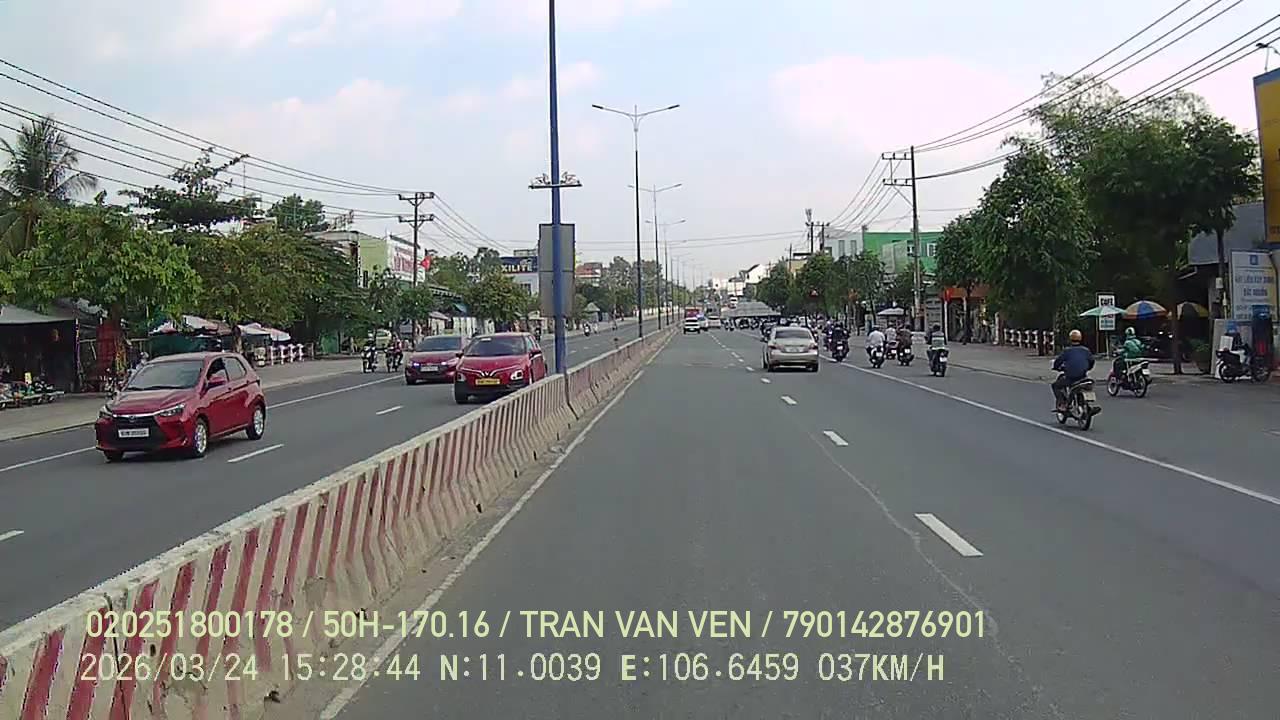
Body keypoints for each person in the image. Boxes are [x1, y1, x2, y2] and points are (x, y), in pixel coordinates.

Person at [1052, 329, 1094, 410]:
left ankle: (1062, 403)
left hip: (1071, 378)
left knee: (1055, 386)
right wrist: (1088, 368)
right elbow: (1092, 361)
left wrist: (1056, 367)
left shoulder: (1067, 351)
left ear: (1070, 339)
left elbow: (1058, 361)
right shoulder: (1086, 350)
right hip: (1083, 377)